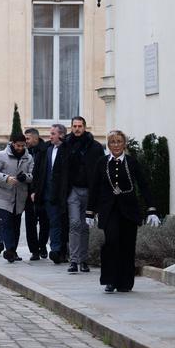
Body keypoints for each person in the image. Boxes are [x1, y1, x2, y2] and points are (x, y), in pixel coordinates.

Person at [86, 130, 161, 292]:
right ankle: (110, 280)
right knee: (111, 243)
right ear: (109, 145)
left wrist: (151, 209)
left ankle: (125, 282)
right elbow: (95, 188)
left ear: (124, 144)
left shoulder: (132, 162)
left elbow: (144, 186)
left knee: (127, 246)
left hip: (129, 211)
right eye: (113, 142)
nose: (116, 145)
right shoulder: (102, 162)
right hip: (109, 211)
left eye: (119, 141)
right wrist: (90, 211)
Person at [64, 116, 104, 274]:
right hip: (72, 189)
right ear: (71, 127)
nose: (77, 129)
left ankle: (84, 260)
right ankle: (73, 260)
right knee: (74, 224)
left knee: (85, 226)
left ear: (85, 127)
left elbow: (101, 170)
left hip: (89, 190)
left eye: (80, 126)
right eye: (74, 126)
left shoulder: (95, 147)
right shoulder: (66, 145)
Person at [0, 133, 34, 263]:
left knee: (16, 225)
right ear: (12, 143)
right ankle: (9, 250)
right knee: (7, 224)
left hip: (20, 197)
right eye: (18, 145)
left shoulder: (28, 157)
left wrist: (25, 177)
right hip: (4, 196)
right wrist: (6, 178)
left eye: (23, 145)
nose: (20, 148)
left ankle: (12, 250)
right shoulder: (2, 155)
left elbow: (33, 174)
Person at [31, 123, 70, 264]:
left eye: (53, 133)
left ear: (61, 135)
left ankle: (56, 250)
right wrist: (35, 190)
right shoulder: (46, 149)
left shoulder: (67, 150)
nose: (50, 136)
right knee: (48, 222)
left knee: (57, 223)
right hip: (45, 192)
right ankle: (53, 249)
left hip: (60, 193)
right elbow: (38, 171)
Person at [23, 128, 49, 260]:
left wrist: (37, 191)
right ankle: (34, 250)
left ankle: (43, 245)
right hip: (28, 192)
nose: (25, 141)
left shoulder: (45, 151)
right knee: (30, 223)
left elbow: (44, 173)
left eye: (27, 138)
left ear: (35, 138)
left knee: (45, 222)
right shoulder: (25, 151)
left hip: (42, 192)